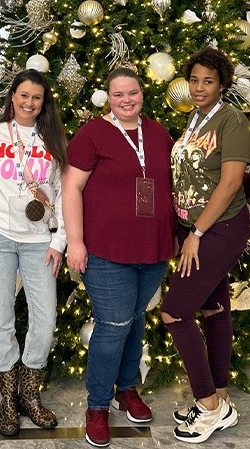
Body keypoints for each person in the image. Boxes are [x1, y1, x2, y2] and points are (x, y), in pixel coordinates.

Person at [63, 67, 175, 447]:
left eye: (133, 93)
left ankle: (126, 389)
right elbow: (71, 188)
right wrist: (74, 242)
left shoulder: (158, 133)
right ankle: (97, 405)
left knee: (136, 319)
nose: (127, 100)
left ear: (143, 93)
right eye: (118, 95)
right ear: (108, 98)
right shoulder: (92, 134)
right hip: (107, 250)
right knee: (112, 326)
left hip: (154, 248)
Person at [161, 47, 250, 444]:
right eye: (194, 80)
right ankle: (221, 398)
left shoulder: (231, 120)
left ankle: (209, 407)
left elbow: (231, 182)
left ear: (223, 84)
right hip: (190, 228)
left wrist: (196, 234)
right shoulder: (194, 119)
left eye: (208, 81)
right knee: (214, 308)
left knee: (175, 313)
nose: (199, 88)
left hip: (218, 229)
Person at [0, 69, 67, 436]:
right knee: (1, 320)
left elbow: (62, 194)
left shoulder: (53, 138)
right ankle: (8, 400)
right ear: (12, 95)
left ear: (44, 102)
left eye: (37, 97)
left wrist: (59, 242)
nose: (29, 103)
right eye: (24, 95)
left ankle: (29, 393)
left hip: (38, 241)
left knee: (44, 321)